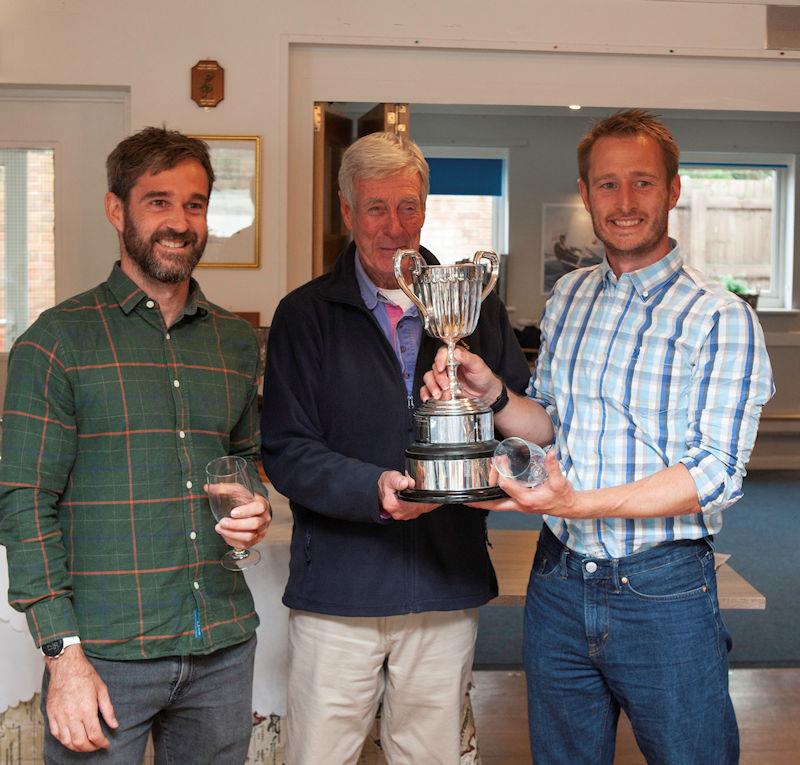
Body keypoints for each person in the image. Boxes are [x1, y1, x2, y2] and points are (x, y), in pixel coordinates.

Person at [423, 109, 774, 764]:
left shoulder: (717, 316)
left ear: (673, 190)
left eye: (643, 182)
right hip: (558, 579)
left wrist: (578, 503)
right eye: (607, 184)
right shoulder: (571, 297)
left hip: (662, 589)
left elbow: (713, 474)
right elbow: (552, 421)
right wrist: (491, 393)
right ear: (585, 194)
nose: (624, 201)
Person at [0, 127, 271, 764]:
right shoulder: (56, 341)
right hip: (103, 653)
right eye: (158, 201)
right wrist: (62, 656)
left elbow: (244, 464)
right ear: (116, 210)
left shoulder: (234, 342)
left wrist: (252, 508)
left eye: (195, 204)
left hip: (222, 647)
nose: (179, 222)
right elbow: (23, 504)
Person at [261, 131, 529, 765]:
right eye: (376, 208)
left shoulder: (475, 306)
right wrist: (372, 490)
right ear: (348, 212)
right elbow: (287, 449)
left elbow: (517, 423)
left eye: (408, 206)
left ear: (427, 208)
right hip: (340, 588)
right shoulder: (305, 315)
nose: (394, 226)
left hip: (445, 579)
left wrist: (489, 473)